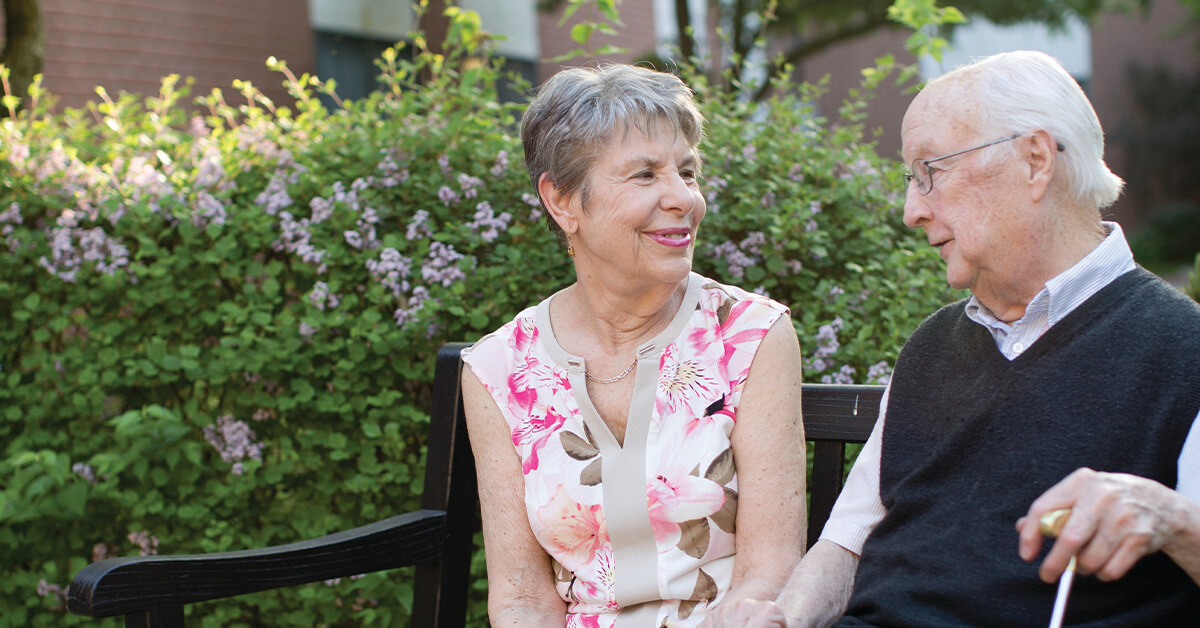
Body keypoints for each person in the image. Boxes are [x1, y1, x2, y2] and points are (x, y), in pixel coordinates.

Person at [702, 50, 1200, 627]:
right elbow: (848, 543)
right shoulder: (934, 345)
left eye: (929, 173)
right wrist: (785, 618)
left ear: (1035, 160)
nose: (912, 210)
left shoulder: (1183, 350)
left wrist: (1170, 518)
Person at [460, 63, 808, 627]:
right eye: (645, 175)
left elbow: (769, 573)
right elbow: (522, 599)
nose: (683, 199)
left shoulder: (749, 333)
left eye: (688, 172)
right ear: (562, 201)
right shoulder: (500, 368)